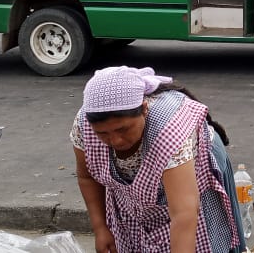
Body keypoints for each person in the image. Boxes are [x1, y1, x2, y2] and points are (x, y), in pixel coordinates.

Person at [71, 66, 244, 253]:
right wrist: (101, 228)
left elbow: (184, 213)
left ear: (144, 110)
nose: (115, 141)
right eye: (103, 134)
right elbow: (86, 178)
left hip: (195, 168)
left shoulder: (168, 131)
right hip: (140, 188)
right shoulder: (84, 125)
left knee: (206, 238)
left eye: (123, 130)